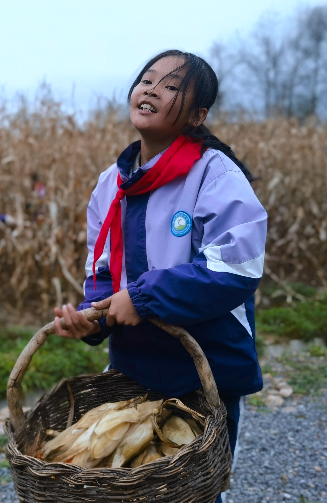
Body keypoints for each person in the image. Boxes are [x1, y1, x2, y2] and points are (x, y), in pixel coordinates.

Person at [53, 51, 266, 503]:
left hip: (208, 367)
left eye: (171, 86)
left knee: (200, 489)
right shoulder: (111, 182)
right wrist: (95, 317)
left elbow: (236, 267)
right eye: (146, 80)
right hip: (134, 366)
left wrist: (144, 298)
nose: (151, 89)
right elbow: (103, 270)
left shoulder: (214, 173)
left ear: (196, 115)